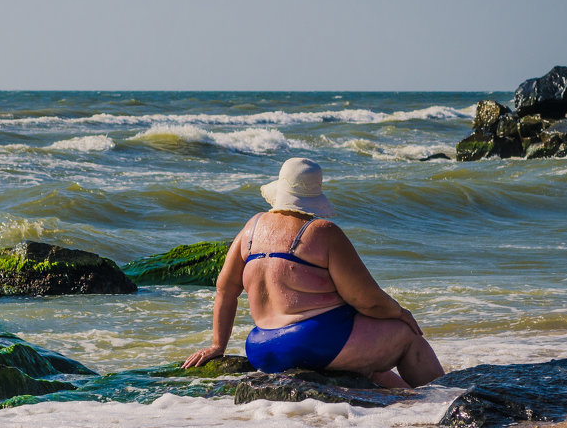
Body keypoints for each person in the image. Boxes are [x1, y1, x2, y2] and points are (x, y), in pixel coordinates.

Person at [182, 157, 444, 388]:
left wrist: (218, 346)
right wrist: (400, 313)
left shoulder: (252, 228)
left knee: (372, 365)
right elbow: (368, 300)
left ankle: (411, 403)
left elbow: (225, 290)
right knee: (407, 337)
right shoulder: (322, 231)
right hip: (312, 342)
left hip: (260, 347)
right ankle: (448, 400)